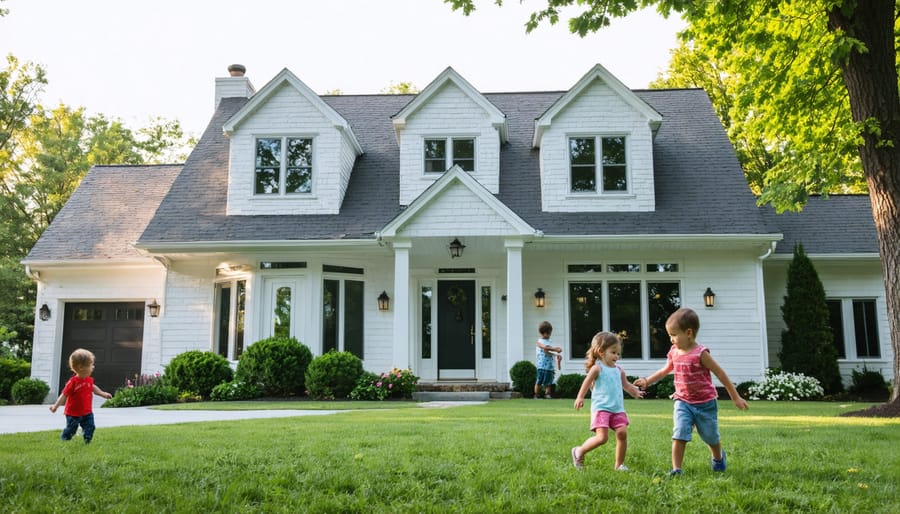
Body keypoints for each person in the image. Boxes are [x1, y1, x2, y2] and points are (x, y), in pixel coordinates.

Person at [635, 307, 749, 476]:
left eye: (674, 335)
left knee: (710, 436)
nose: (671, 339)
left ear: (688, 333)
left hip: (705, 403)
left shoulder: (701, 353)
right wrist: (647, 380)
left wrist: (736, 397)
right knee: (679, 433)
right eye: (670, 335)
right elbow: (664, 370)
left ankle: (718, 458)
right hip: (683, 401)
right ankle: (676, 469)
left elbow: (720, 373)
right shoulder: (674, 352)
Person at [571, 332, 644, 470]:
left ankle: (619, 465)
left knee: (622, 433)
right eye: (613, 352)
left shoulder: (619, 370)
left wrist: (635, 392)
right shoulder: (597, 369)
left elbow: (626, 385)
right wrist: (580, 396)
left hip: (617, 409)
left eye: (618, 353)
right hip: (601, 408)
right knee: (602, 438)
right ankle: (579, 451)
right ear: (601, 352)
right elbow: (586, 382)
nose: (617, 356)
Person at [49, 348, 113, 443]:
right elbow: (64, 395)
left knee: (90, 426)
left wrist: (103, 394)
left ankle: (87, 440)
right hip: (72, 413)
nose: (93, 367)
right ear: (81, 367)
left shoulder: (88, 380)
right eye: (91, 365)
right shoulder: (73, 382)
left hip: (87, 412)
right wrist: (55, 406)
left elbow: (93, 388)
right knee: (72, 428)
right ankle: (65, 439)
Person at [534, 321, 562, 399]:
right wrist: (556, 349)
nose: (549, 335)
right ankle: (536, 395)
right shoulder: (539, 342)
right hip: (541, 365)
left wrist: (557, 355)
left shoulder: (549, 341)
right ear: (542, 333)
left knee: (548, 382)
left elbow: (549, 352)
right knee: (539, 381)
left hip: (549, 365)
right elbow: (545, 348)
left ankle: (547, 394)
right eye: (548, 333)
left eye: (550, 333)